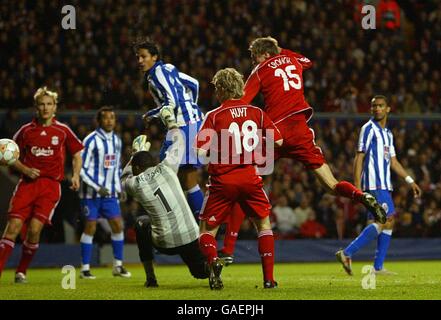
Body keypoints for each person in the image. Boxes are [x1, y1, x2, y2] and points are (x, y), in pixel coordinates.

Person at [217, 37, 387, 262]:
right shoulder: (294, 60)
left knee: (244, 184)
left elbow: (243, 101)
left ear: (264, 55)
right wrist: (280, 50)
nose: (252, 61)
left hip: (275, 133)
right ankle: (360, 195)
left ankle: (228, 250)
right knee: (331, 185)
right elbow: (309, 61)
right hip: (300, 131)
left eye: (253, 56)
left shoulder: (260, 70)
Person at [195, 68, 283, 290]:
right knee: (263, 224)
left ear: (224, 88)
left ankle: (214, 262)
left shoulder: (214, 115)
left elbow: (200, 152)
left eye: (217, 88)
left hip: (223, 180)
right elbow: (279, 142)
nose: (215, 92)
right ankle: (269, 280)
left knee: (206, 231)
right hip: (250, 178)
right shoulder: (257, 112)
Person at [0, 87, 83, 283]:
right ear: (36, 107)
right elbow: (11, 155)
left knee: (35, 229)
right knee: (13, 227)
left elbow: (77, 154)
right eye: (41, 104)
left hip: (50, 187)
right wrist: (25, 169)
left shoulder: (62, 131)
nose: (45, 108)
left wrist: (76, 175)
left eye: (49, 104)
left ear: (55, 107)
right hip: (27, 185)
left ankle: (21, 272)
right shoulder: (25, 131)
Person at [121, 107, 208, 287]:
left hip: (164, 243)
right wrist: (170, 121)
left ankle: (151, 278)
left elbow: (124, 176)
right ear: (153, 163)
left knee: (140, 223)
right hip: (190, 236)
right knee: (201, 274)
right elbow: (179, 141)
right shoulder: (168, 167)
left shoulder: (135, 184)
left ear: (137, 168)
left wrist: (135, 153)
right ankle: (212, 266)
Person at [336, 95, 422, 275]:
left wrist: (410, 180)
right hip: (374, 184)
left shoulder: (388, 134)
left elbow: (394, 162)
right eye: (374, 106)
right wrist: (357, 187)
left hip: (384, 185)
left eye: (381, 106)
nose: (377, 109)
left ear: (388, 109)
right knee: (387, 219)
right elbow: (359, 156)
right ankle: (347, 253)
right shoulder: (368, 129)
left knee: (385, 223)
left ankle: (377, 267)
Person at [134, 37, 205, 220]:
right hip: (193, 122)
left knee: (163, 177)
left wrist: (152, 114)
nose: (140, 61)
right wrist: (191, 107)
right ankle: (200, 225)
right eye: (138, 57)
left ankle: (173, 224)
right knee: (187, 177)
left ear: (154, 57)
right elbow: (194, 84)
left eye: (143, 56)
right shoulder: (169, 68)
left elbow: (170, 103)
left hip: (182, 126)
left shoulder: (155, 74)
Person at [79, 106, 130, 279]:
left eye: (112, 117)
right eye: (106, 118)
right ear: (99, 121)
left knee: (118, 225)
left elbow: (116, 167)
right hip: (90, 194)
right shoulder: (90, 140)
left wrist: (119, 187)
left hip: (109, 194)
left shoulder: (116, 140)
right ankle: (85, 268)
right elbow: (81, 169)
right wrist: (96, 186)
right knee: (90, 227)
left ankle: (118, 266)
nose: (109, 120)